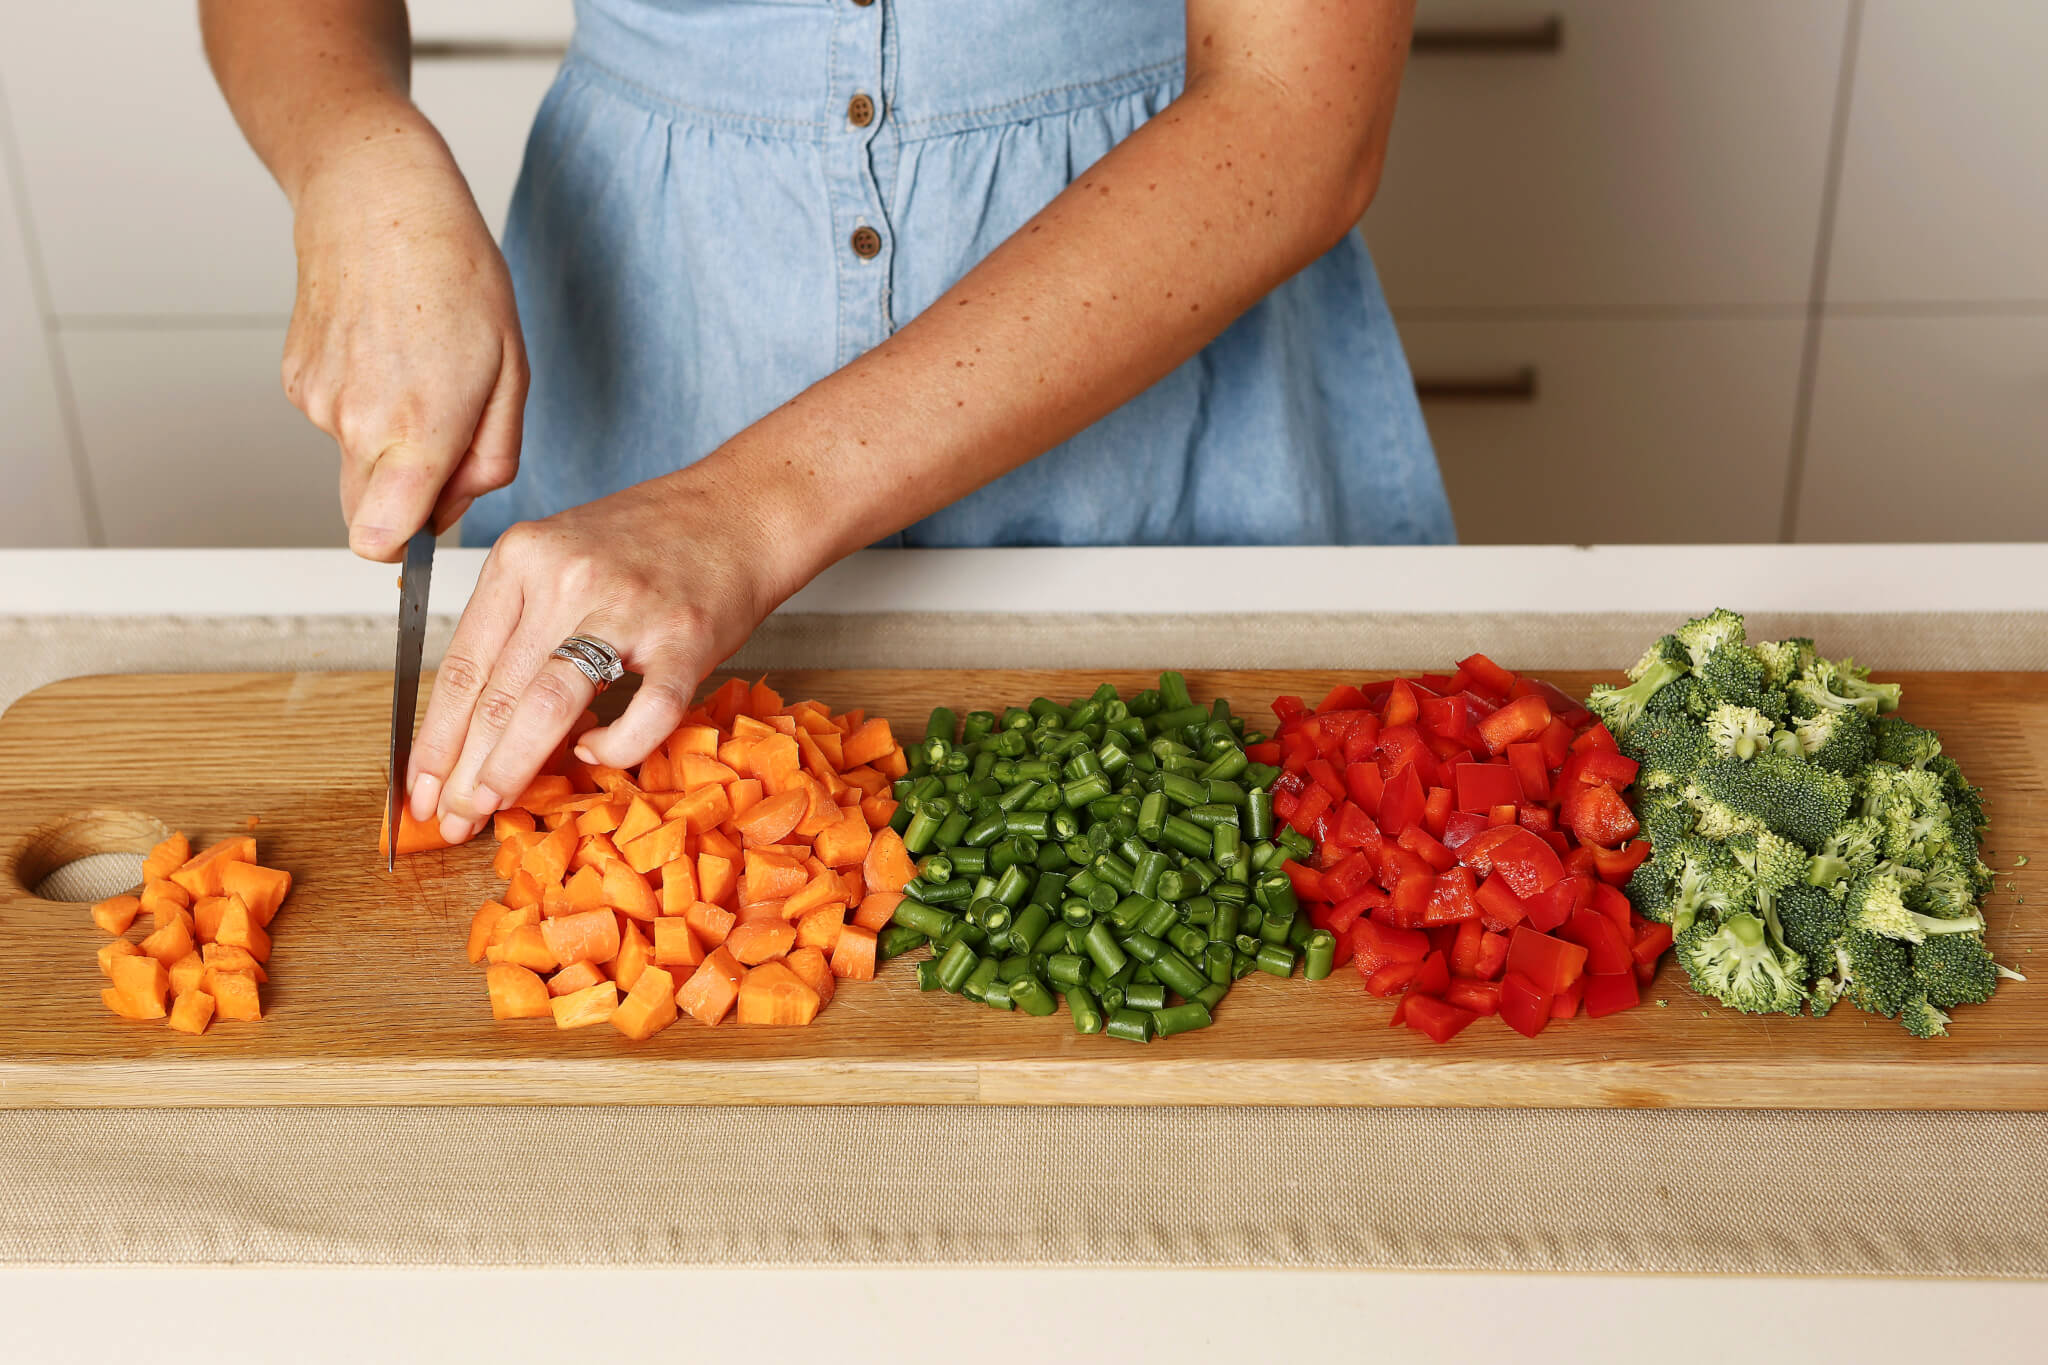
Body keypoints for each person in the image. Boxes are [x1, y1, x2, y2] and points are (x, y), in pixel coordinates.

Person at [202, 0, 1451, 847]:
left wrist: (733, 515)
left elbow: (1300, 117)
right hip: (652, 317)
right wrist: (354, 157)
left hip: (1157, 332)